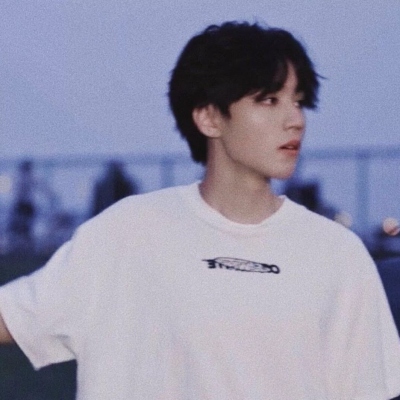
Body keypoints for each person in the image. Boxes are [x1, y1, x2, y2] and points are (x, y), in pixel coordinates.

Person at [0, 20, 400, 400]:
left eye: (298, 101)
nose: (295, 119)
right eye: (269, 100)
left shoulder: (337, 253)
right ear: (209, 117)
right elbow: (13, 317)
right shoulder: (125, 233)